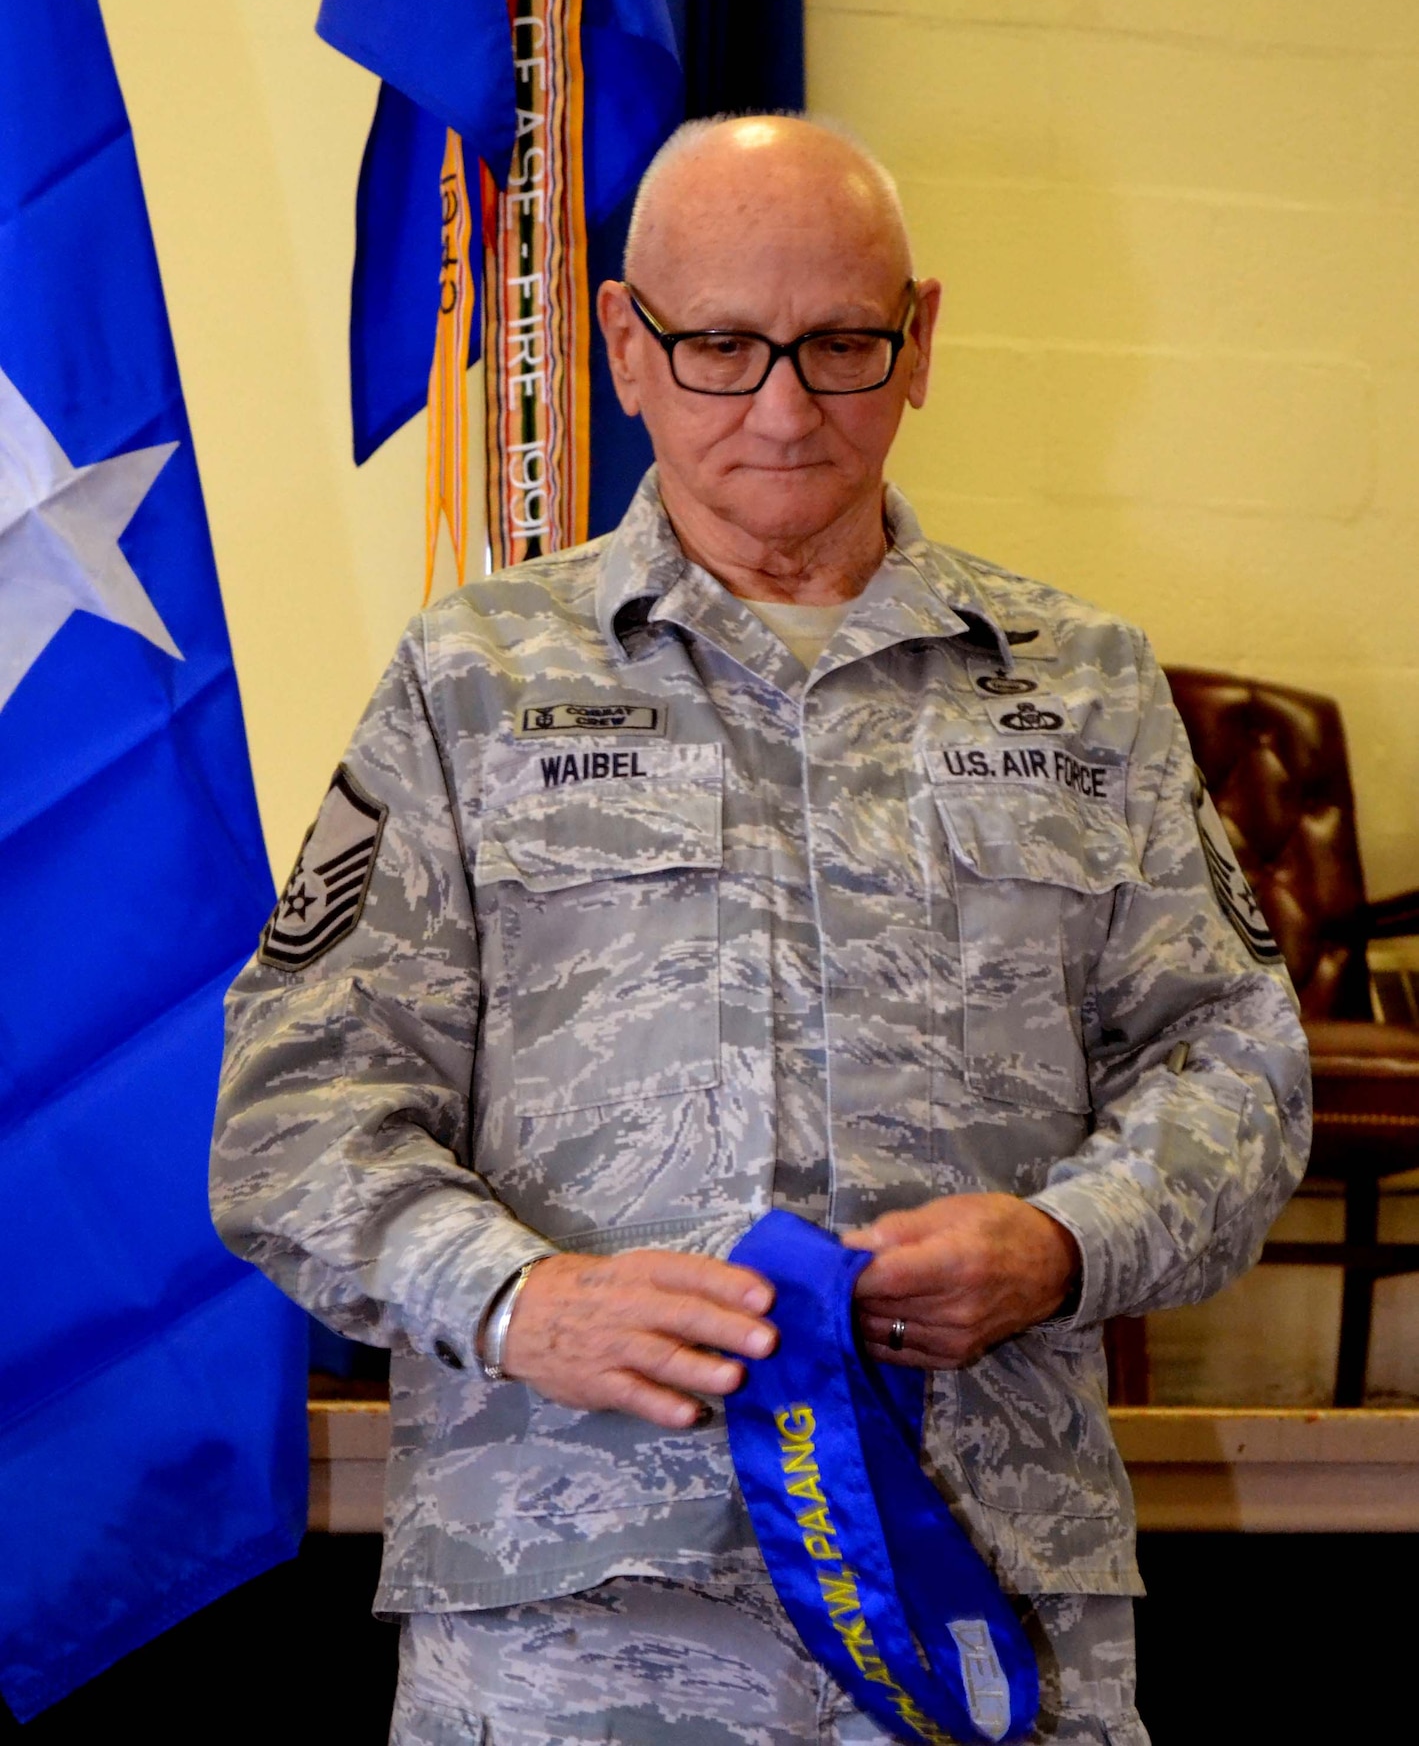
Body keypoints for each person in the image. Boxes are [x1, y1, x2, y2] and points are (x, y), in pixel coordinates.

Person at [212, 115, 1310, 1745]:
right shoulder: (473, 684)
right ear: (623, 345)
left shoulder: (1084, 685)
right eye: (720, 344)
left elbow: (1241, 1066)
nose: (785, 407)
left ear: (920, 339)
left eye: (842, 344)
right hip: (575, 1605)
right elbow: (289, 1117)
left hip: (989, 1604)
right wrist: (523, 1299)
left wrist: (1072, 1240)